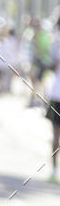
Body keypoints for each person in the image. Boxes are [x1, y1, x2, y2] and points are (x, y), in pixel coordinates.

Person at [45, 16, 60, 183]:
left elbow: (52, 65)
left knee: (56, 134)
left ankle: (55, 171)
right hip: (56, 93)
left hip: (57, 94)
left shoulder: (56, 41)